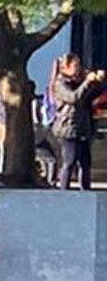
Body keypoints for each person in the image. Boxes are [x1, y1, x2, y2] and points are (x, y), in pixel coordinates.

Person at [49, 54, 104, 191]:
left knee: (85, 163)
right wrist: (86, 82)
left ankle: (85, 191)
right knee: (70, 161)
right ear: (65, 67)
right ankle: (64, 191)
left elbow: (90, 96)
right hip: (67, 127)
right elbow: (74, 98)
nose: (79, 69)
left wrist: (97, 82)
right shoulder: (60, 83)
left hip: (82, 127)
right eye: (75, 66)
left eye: (79, 65)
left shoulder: (78, 82)